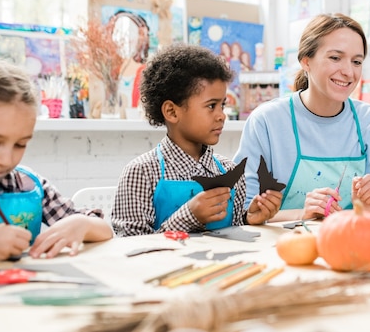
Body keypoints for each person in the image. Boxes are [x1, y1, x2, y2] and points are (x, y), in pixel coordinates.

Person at [233, 13, 370, 222]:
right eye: (335, 58)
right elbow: (242, 211)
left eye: (357, 61)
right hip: (283, 248)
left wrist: (368, 210)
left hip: (349, 243)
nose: (348, 71)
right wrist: (302, 214)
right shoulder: (266, 121)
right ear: (305, 61)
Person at [111, 44, 283, 236]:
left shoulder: (230, 171)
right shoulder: (141, 173)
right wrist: (188, 216)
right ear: (172, 111)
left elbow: (233, 233)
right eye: (211, 106)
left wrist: (248, 219)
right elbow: (129, 248)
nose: (221, 115)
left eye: (222, 105)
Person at [0, 57, 113, 261]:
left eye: (20, 144)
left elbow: (105, 231)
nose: (6, 159)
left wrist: (81, 224)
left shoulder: (29, 186)